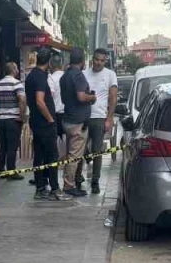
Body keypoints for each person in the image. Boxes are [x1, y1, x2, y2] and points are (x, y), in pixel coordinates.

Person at [25, 47, 64, 200]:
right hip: (45, 124)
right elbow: (40, 102)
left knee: (39, 155)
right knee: (52, 155)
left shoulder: (31, 76)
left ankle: (40, 187)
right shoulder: (41, 77)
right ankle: (54, 188)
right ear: (49, 62)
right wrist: (50, 119)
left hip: (36, 122)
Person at [79, 47, 118, 195]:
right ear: (92, 58)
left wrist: (109, 118)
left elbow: (113, 97)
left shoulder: (110, 75)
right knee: (80, 150)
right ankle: (77, 178)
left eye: (102, 60)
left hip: (99, 117)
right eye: (96, 59)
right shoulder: (83, 74)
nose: (98, 63)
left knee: (97, 151)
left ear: (105, 61)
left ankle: (95, 181)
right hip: (83, 117)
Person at [59, 48, 96, 196]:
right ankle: (69, 186)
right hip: (78, 122)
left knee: (71, 153)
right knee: (74, 156)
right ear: (82, 61)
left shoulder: (64, 76)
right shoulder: (78, 76)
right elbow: (81, 97)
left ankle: (70, 181)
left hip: (68, 119)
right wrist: (91, 97)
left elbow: (64, 99)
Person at [0, 61, 27, 179]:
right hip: (13, 119)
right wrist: (22, 115)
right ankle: (11, 171)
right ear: (13, 70)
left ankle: (0, 170)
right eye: (16, 68)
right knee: (12, 146)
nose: (17, 70)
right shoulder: (17, 83)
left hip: (1, 119)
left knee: (3, 145)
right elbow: (22, 99)